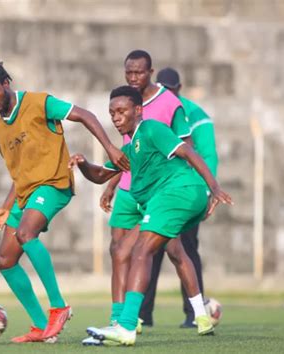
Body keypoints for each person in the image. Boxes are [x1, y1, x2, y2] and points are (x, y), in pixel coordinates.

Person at [0, 61, 129, 343]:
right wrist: (7, 206)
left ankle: (59, 306)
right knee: (4, 260)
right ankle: (42, 328)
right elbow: (19, 172)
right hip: (25, 193)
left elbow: (85, 115)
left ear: (6, 84)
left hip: (54, 184)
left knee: (25, 234)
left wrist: (110, 147)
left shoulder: (38, 102)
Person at [70, 85, 233, 346]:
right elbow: (100, 175)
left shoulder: (152, 129)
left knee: (140, 252)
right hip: (168, 200)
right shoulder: (131, 146)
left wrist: (214, 187)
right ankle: (201, 317)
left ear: (138, 110)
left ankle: (125, 326)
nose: (116, 117)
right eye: (112, 112)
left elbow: (188, 152)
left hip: (178, 192)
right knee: (171, 251)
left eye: (121, 111)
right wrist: (83, 164)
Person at [87, 49, 192, 343]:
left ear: (150, 72)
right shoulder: (123, 103)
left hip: (161, 191)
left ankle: (193, 312)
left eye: (139, 72)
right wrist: (110, 184)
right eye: (129, 72)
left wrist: (199, 186)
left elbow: (185, 147)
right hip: (127, 188)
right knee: (118, 251)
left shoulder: (168, 105)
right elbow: (127, 155)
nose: (133, 77)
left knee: (167, 252)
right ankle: (119, 320)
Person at [141, 67, 219, 328]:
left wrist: (208, 192)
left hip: (187, 193)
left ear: (179, 89)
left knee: (185, 250)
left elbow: (206, 155)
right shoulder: (151, 107)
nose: (167, 92)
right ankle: (143, 315)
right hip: (159, 191)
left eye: (171, 89)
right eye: (163, 87)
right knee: (151, 250)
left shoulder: (195, 115)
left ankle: (193, 314)